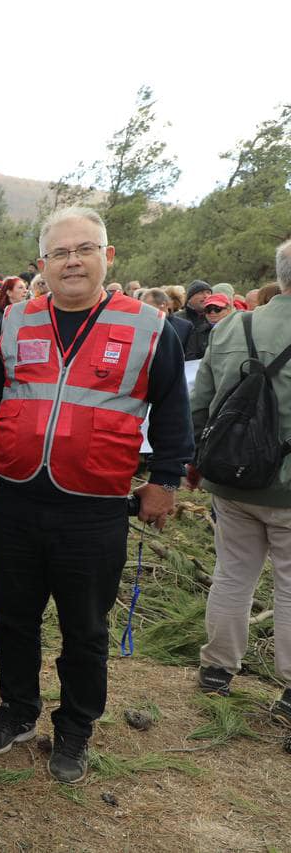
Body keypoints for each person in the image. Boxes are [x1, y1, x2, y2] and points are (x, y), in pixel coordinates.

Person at [0, 206, 193, 784]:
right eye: (60, 252)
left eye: (84, 249)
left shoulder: (147, 326)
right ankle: (18, 710)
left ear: (107, 256)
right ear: (42, 263)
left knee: (84, 629)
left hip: (93, 508)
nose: (72, 261)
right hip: (16, 499)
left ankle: (75, 728)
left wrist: (165, 480)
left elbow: (173, 410)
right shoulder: (15, 321)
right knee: (13, 618)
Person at [190, 239, 291, 723]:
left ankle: (217, 669)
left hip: (230, 479)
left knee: (233, 574)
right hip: (288, 486)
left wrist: (196, 459)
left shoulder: (233, 322)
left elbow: (201, 400)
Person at [0, 275, 29, 341]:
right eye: (20, 288)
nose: (25, 291)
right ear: (9, 292)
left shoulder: (28, 313)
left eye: (26, 288)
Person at [178, 280, 212, 359]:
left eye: (208, 292)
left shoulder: (215, 317)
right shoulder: (178, 319)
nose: (205, 296)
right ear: (189, 298)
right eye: (200, 293)